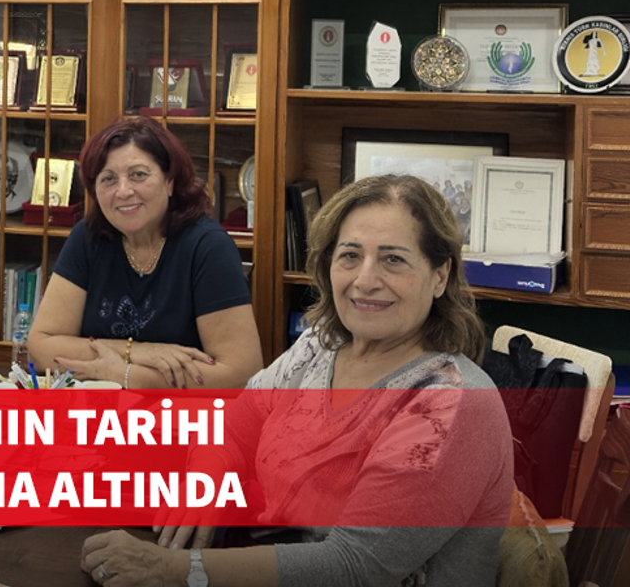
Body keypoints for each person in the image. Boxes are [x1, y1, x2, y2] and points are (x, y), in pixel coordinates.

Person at [79, 174, 513, 586]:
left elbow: (354, 568)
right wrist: (207, 483)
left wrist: (172, 569)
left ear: (440, 275)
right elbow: (234, 429)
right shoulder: (319, 346)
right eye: (350, 255)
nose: (365, 280)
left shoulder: (451, 403)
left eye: (393, 259)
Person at [27, 118, 261, 389]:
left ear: (170, 181)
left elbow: (241, 373)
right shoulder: (88, 236)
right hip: (99, 408)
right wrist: (135, 351)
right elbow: (41, 348)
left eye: (138, 174)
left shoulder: (207, 247)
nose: (123, 191)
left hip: (181, 412)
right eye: (108, 179)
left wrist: (126, 374)